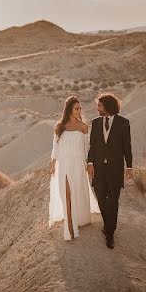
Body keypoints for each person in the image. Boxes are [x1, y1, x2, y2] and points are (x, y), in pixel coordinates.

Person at [49, 96, 100, 240]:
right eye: (77, 108)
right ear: (69, 110)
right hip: (64, 164)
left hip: (78, 165)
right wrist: (53, 163)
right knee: (66, 192)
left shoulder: (83, 127)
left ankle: (78, 219)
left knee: (77, 192)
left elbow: (87, 148)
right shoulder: (60, 127)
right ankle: (70, 227)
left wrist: (89, 164)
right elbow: (56, 147)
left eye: (80, 108)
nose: (79, 110)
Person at [86, 93, 132, 249]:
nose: (97, 108)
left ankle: (110, 233)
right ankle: (107, 224)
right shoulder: (96, 123)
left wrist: (129, 166)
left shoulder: (123, 123)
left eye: (99, 105)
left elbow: (127, 147)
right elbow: (92, 145)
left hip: (115, 169)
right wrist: (90, 162)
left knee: (113, 201)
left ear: (107, 106)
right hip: (98, 168)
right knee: (100, 198)